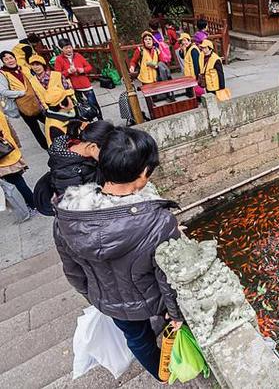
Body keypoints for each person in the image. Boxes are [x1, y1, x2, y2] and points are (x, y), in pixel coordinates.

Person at [53, 126, 184, 381]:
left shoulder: (66, 214)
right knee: (162, 325)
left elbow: (73, 271)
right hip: (149, 299)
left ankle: (160, 374)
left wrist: (94, 297)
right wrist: (176, 315)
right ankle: (170, 365)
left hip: (108, 301)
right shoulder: (158, 221)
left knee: (136, 338)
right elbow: (167, 280)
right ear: (144, 172)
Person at [0, 51, 48, 150]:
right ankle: (47, 148)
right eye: (6, 59)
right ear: (3, 62)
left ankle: (56, 142)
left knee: (49, 121)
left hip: (37, 102)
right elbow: (3, 91)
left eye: (11, 57)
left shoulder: (24, 68)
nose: (10, 61)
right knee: (35, 129)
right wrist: (21, 93)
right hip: (23, 106)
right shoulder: (3, 74)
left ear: (15, 58)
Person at [29, 55, 77, 146]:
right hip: (51, 111)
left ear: (43, 64)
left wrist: (66, 101)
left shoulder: (56, 75)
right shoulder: (32, 81)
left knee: (73, 128)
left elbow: (68, 89)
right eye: (33, 65)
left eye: (38, 64)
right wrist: (46, 110)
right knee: (58, 132)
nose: (36, 67)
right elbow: (38, 97)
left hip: (65, 107)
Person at [0, 106, 36, 220]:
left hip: (4, 157)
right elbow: (11, 130)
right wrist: (17, 144)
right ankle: (31, 203)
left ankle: (32, 204)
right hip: (9, 151)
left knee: (16, 182)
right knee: (17, 181)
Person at [54, 38, 102, 120]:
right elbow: (57, 74)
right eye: (66, 48)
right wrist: (68, 71)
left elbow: (89, 67)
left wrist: (82, 70)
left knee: (93, 103)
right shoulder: (59, 59)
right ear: (61, 49)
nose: (69, 50)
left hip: (85, 84)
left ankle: (100, 119)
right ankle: (88, 121)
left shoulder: (78, 56)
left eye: (70, 47)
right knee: (81, 106)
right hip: (73, 87)